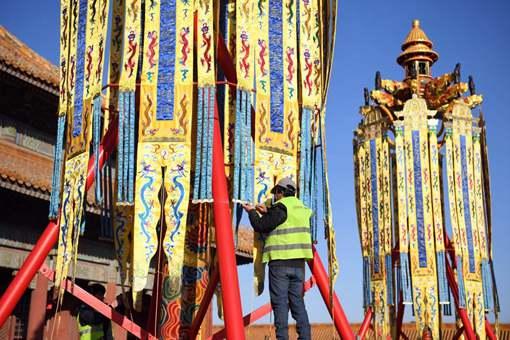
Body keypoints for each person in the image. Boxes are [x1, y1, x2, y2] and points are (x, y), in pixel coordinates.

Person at [242, 177, 313, 340]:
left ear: (282, 192)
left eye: (276, 193)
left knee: (280, 305)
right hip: (299, 265)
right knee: (298, 303)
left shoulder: (281, 207)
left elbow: (261, 225)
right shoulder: (302, 209)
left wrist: (251, 211)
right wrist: (268, 212)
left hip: (280, 263)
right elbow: (285, 220)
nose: (275, 197)